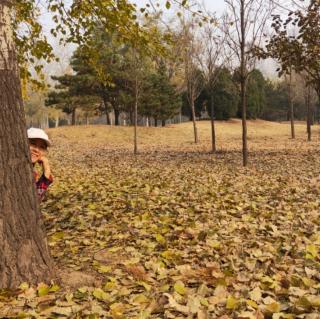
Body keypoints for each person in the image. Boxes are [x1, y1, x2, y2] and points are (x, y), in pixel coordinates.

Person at [27, 128, 53, 201]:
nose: (37, 150)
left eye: (42, 147)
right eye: (33, 143)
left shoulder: (33, 174)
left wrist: (47, 169)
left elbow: (35, 202)